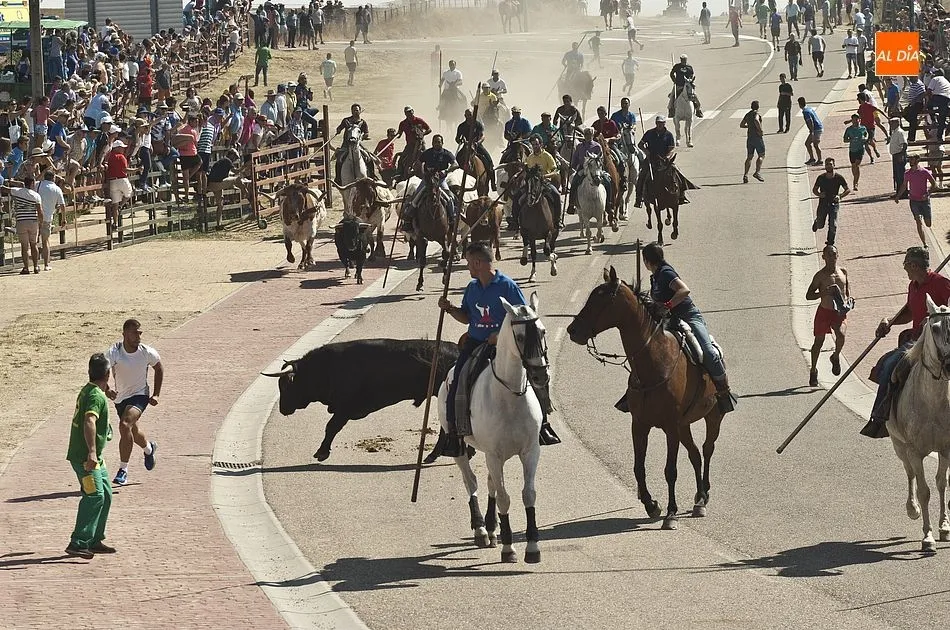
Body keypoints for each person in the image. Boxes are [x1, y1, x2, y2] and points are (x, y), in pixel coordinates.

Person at [437, 242, 560, 456]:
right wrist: (449, 309)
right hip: (476, 343)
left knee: (535, 372)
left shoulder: (507, 286)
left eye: (468, 263)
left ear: (478, 263)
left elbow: (524, 316)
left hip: (506, 345)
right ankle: (455, 434)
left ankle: (543, 425)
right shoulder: (472, 288)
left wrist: (500, 336)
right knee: (457, 380)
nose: (467, 267)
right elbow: (466, 317)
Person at [615, 242, 735, 413]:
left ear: (647, 261)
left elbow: (684, 290)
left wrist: (669, 305)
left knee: (707, 352)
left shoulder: (665, 273)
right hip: (668, 320)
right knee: (646, 352)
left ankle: (723, 391)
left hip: (688, 315)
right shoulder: (655, 276)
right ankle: (634, 394)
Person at [863, 247, 950, 438]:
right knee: (887, 365)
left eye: (906, 265)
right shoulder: (913, 286)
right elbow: (910, 311)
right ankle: (880, 416)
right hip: (914, 340)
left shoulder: (942, 284)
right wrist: (889, 321)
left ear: (914, 265)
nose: (905, 270)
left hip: (936, 340)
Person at [65, 353, 117, 559]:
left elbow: (96, 396)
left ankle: (94, 539)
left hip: (95, 458)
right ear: (107, 373)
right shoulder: (96, 396)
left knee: (106, 494)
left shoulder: (91, 390)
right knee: (94, 496)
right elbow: (89, 421)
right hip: (86, 459)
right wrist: (92, 453)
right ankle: (78, 542)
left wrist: (107, 392)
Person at [106, 319, 163, 486]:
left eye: (140, 333)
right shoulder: (114, 351)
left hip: (140, 395)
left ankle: (123, 470)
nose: (138, 336)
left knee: (125, 425)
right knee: (132, 430)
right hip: (120, 398)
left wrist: (156, 394)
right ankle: (149, 449)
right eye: (134, 333)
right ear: (124, 334)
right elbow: (103, 368)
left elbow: (159, 368)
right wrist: (107, 389)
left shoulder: (146, 352)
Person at [806, 245, 850, 386]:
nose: (832, 257)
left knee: (841, 336)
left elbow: (847, 288)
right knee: (818, 343)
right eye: (829, 255)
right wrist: (822, 293)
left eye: (834, 254)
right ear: (823, 257)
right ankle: (813, 370)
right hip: (824, 312)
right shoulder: (820, 276)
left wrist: (848, 300)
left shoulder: (843, 272)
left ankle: (835, 356)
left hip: (839, 313)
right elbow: (809, 295)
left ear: (837, 256)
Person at [402, 134, 456, 232]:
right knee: (415, 196)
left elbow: (455, 164)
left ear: (442, 143)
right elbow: (418, 163)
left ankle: (452, 219)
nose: (437, 144)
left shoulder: (446, 154)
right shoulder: (427, 153)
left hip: (440, 181)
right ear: (432, 143)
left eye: (439, 142)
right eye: (435, 142)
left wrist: (446, 171)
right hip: (427, 180)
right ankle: (408, 221)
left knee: (449, 198)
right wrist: (412, 169)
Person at [513, 135, 562, 228]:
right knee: (517, 197)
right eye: (533, 145)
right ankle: (515, 221)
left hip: (544, 183)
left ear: (541, 144)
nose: (535, 146)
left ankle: (557, 220)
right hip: (531, 184)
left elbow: (555, 171)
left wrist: (544, 176)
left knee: (556, 195)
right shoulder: (530, 157)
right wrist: (518, 174)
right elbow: (526, 169)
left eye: (536, 144)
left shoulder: (547, 156)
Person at [895, 153, 939, 249]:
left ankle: (925, 217)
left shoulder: (924, 172)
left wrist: (927, 194)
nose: (910, 161)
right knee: (918, 221)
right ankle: (924, 243)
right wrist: (898, 196)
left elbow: (935, 185)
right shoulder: (907, 173)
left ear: (917, 160)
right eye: (909, 159)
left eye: (912, 159)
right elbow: (904, 185)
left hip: (924, 201)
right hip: (914, 201)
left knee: (928, 224)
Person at [568, 127, 612, 214]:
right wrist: (572, 166)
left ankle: (608, 205)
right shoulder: (579, 146)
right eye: (586, 134)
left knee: (607, 182)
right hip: (582, 168)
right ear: (584, 135)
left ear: (592, 135)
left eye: (589, 134)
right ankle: (571, 204)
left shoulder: (597, 146)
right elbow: (576, 158)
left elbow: (601, 159)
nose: (588, 136)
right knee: (574, 182)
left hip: (595, 169)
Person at [811, 157, 850, 246]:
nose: (828, 166)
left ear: (834, 165)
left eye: (830, 164)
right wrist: (819, 194)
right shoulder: (821, 178)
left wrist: (840, 196)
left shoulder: (839, 178)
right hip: (823, 204)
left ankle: (830, 243)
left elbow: (847, 190)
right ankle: (817, 222)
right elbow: (814, 189)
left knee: (833, 225)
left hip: (834, 204)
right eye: (827, 164)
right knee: (821, 225)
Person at [455, 109, 495, 188]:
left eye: (470, 115)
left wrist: (478, 142)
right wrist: (460, 140)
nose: (468, 117)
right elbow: (457, 138)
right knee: (456, 159)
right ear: (464, 116)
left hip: (477, 146)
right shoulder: (461, 126)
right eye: (467, 115)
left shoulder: (478, 124)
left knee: (489, 160)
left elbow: (483, 136)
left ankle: (493, 183)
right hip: (466, 146)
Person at [10, 176, 42, 274]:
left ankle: (26, 268)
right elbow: (40, 211)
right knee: (34, 244)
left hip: (21, 221)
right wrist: (40, 223)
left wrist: (15, 183)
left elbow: (4, 188)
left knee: (24, 246)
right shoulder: (36, 195)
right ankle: (36, 266)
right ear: (32, 184)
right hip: (32, 221)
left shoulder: (17, 191)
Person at [36, 170, 64, 272]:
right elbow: (62, 205)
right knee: (45, 241)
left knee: (34, 241)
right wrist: (64, 218)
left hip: (35, 216)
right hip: (47, 218)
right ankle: (46, 264)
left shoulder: (38, 185)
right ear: (53, 178)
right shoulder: (57, 189)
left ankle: (35, 263)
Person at [396, 106, 431, 178]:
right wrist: (394, 136)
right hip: (410, 145)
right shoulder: (403, 123)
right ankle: (400, 175)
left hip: (420, 144)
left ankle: (429, 174)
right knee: (401, 160)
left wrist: (422, 134)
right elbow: (399, 134)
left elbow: (429, 130)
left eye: (410, 112)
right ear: (405, 113)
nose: (409, 114)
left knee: (427, 158)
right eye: (407, 112)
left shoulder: (419, 121)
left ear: (413, 111)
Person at [740, 101, 765, 183]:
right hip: (757, 138)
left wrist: (749, 126)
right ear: (758, 107)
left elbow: (742, 125)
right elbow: (756, 120)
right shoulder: (756, 114)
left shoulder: (747, 114)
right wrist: (760, 130)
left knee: (749, 156)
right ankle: (757, 172)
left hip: (750, 138)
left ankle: (745, 175)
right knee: (761, 155)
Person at [843, 113, 868, 190]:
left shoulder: (863, 128)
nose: (855, 121)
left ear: (859, 120)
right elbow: (844, 139)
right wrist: (851, 139)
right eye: (854, 120)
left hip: (860, 149)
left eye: (857, 119)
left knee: (857, 165)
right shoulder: (849, 129)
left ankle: (855, 183)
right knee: (853, 166)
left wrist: (865, 138)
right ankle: (855, 178)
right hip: (852, 150)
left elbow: (866, 135)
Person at [799, 97, 824, 164]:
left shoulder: (805, 112)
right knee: (811, 144)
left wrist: (811, 132)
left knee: (813, 144)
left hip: (816, 129)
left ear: (799, 104)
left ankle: (818, 159)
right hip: (818, 127)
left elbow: (810, 122)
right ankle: (813, 158)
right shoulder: (809, 108)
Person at [888, 117, 907, 193]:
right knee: (896, 175)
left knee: (900, 175)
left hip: (899, 155)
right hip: (895, 155)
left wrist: (902, 155)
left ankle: (903, 192)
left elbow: (904, 144)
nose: (891, 125)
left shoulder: (900, 132)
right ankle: (898, 191)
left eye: (892, 123)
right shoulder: (894, 132)